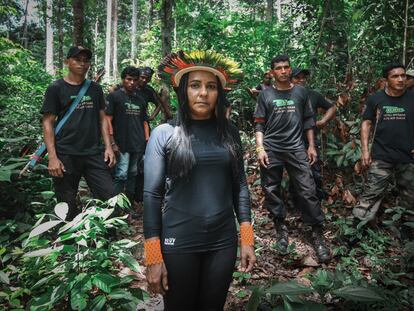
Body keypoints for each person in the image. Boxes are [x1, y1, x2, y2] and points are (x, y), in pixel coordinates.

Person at [143, 50, 256, 310]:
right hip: (178, 241)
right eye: (195, 85)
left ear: (219, 93)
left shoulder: (230, 133)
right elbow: (151, 196)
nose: (203, 93)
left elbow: (240, 186)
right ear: (183, 91)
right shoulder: (164, 133)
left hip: (223, 242)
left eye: (211, 86)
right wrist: (153, 257)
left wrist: (247, 239)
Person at [254, 54, 330, 263]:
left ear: (290, 69)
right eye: (278, 68)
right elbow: (259, 123)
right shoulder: (265, 95)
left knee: (307, 189)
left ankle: (316, 233)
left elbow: (308, 120)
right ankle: (280, 227)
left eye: (286, 67)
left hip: (296, 147)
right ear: (272, 72)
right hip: (272, 148)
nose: (283, 71)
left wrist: (311, 146)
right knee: (271, 188)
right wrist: (260, 148)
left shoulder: (301, 92)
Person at [41, 46, 116, 220]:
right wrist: (52, 157)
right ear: (67, 62)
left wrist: (109, 147)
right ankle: (69, 243)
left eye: (86, 60)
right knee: (66, 204)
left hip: (93, 153)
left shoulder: (95, 89)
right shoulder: (56, 88)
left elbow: (103, 119)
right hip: (66, 154)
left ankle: (106, 240)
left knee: (110, 197)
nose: (82, 64)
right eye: (77, 60)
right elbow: (47, 122)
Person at [352, 63, 414, 222]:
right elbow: (366, 123)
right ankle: (354, 231)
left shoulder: (412, 98)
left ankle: (405, 230)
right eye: (395, 76)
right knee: (371, 193)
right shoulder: (376, 99)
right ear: (385, 80)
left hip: (408, 157)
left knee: (410, 196)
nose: (401, 79)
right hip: (381, 156)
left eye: (403, 76)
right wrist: (365, 151)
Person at [290, 67, 336, 200]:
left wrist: (323, 121)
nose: (301, 80)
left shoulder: (313, 95)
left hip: (310, 140)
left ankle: (317, 201)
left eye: (303, 78)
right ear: (290, 79)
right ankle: (296, 203)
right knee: (295, 174)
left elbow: (332, 107)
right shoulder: (285, 94)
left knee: (314, 170)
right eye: (297, 78)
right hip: (290, 141)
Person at [105, 66, 148, 198]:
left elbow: (144, 122)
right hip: (121, 142)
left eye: (135, 80)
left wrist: (147, 140)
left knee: (133, 173)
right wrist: (112, 142)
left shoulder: (140, 100)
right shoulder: (114, 96)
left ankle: (129, 202)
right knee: (121, 173)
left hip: (137, 143)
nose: (132, 83)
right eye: (129, 79)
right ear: (123, 79)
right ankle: (115, 205)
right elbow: (107, 120)